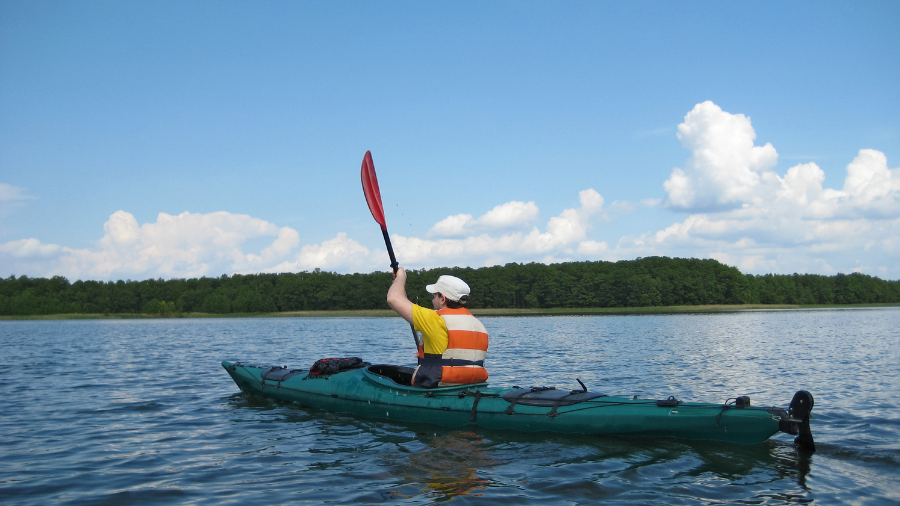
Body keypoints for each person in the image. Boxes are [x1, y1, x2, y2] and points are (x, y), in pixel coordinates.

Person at [387, 268, 489, 388]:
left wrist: (401, 277)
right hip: (473, 386)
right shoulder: (478, 325)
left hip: (439, 387)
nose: (432, 299)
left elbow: (393, 298)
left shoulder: (435, 319)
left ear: (443, 298)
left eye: (434, 295)